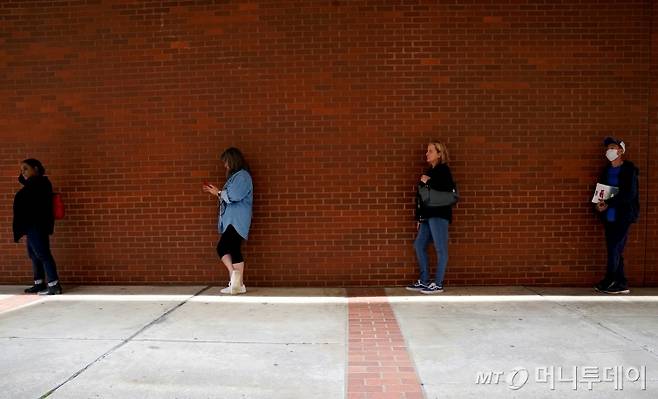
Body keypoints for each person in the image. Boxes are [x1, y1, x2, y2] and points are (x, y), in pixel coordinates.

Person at [407, 141, 456, 294]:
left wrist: (429, 181)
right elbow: (421, 198)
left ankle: (438, 283)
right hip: (427, 216)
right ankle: (424, 280)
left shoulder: (444, 170)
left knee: (441, 248)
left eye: (430, 151)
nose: (427, 154)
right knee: (419, 245)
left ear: (439, 154)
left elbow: (447, 190)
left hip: (439, 215)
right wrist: (419, 217)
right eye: (427, 151)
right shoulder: (429, 171)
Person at [204, 148, 253, 295]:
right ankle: (238, 284)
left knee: (223, 247)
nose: (225, 165)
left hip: (236, 219)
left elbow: (235, 195)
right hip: (232, 219)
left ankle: (235, 278)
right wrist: (217, 193)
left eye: (226, 162)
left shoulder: (243, 176)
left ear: (232, 160)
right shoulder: (237, 177)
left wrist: (218, 192)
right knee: (232, 249)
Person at [594, 137, 639, 294]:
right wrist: (598, 205)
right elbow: (601, 191)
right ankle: (619, 282)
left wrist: (609, 203)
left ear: (621, 151)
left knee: (615, 248)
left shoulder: (629, 170)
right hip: (609, 216)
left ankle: (612, 279)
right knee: (614, 249)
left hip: (623, 215)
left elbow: (629, 194)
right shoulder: (606, 170)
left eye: (612, 147)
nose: (609, 151)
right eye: (607, 148)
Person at [13, 158, 62, 295]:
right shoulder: (33, 184)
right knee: (34, 255)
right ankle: (39, 283)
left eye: (26, 168)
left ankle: (54, 285)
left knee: (43, 254)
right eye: (21, 170)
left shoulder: (41, 183)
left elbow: (31, 201)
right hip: (31, 225)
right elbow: (25, 186)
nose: (23, 172)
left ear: (36, 168)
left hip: (37, 225)